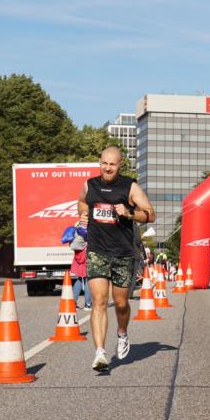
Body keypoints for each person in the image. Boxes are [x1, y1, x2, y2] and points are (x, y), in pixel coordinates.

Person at [78, 146, 155, 371]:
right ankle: (100, 352)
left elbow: (150, 213)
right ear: (99, 163)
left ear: (120, 165)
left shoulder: (129, 187)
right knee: (99, 301)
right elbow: (82, 201)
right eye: (104, 163)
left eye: (112, 164)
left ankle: (122, 333)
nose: (108, 168)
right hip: (97, 251)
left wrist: (130, 213)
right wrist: (83, 214)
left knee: (121, 304)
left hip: (123, 253)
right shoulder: (89, 185)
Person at [67, 230, 92, 310]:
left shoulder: (77, 242)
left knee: (79, 280)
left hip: (78, 264)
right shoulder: (86, 242)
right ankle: (88, 304)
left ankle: (73, 303)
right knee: (88, 281)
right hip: (86, 264)